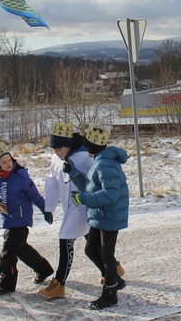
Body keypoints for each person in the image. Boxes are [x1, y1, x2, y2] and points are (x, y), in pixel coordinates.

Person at [65, 124, 129, 310]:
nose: (85, 148)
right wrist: (73, 172)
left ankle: (110, 294)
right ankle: (115, 280)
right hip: (99, 216)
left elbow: (110, 195)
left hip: (109, 216)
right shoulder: (100, 162)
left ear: (91, 146)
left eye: (86, 145)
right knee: (91, 250)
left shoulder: (105, 164)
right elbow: (89, 186)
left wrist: (82, 199)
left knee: (107, 255)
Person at [38, 123, 95, 299]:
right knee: (91, 242)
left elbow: (93, 182)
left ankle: (59, 283)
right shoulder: (56, 158)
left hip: (82, 206)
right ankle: (112, 269)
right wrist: (49, 208)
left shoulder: (83, 158)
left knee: (65, 240)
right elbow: (53, 183)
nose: (56, 151)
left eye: (59, 148)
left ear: (69, 145)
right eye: (54, 148)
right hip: (69, 208)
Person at [0, 143, 54, 294]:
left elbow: (35, 195)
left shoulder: (20, 176)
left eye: (9, 160)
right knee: (21, 249)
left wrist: (46, 210)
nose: (8, 164)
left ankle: (7, 282)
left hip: (21, 218)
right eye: (4, 162)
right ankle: (43, 269)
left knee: (8, 251)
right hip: (8, 219)